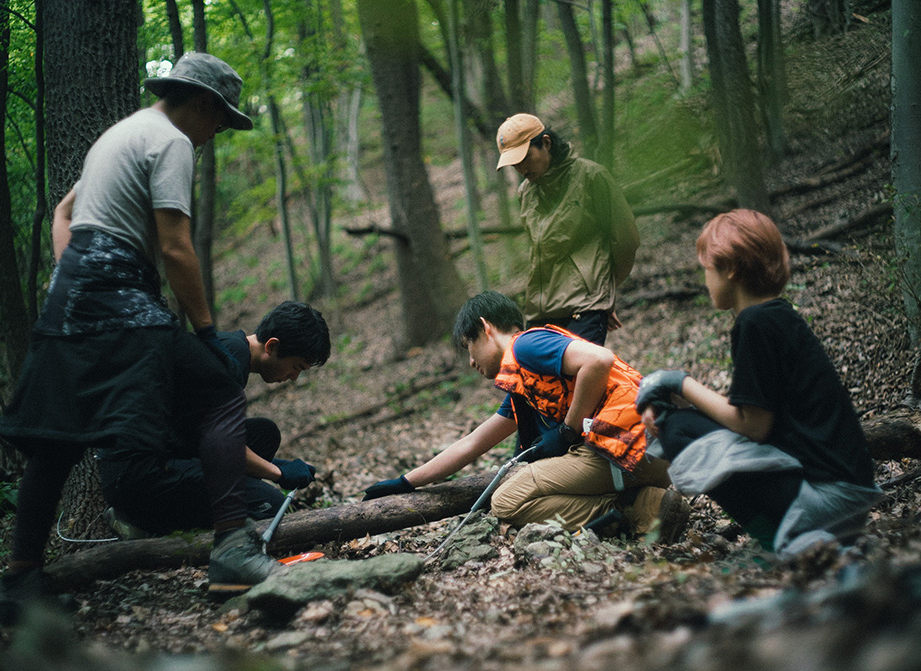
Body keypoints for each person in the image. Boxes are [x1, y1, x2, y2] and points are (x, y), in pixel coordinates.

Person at [0, 53, 279, 621]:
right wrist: (203, 330)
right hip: (123, 299)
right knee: (219, 391)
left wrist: (74, 277)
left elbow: (66, 211)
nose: (212, 137)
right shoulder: (171, 140)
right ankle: (232, 549)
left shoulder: (116, 135)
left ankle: (21, 584)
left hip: (70, 299)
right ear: (201, 103)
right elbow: (175, 247)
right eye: (218, 123)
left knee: (56, 440)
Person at [634, 209, 881, 557]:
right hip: (846, 492)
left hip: (827, 499)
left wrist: (679, 382)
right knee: (683, 420)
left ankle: (776, 545)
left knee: (677, 429)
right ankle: (784, 539)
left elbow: (754, 427)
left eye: (707, 269)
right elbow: (755, 409)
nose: (705, 281)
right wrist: (683, 396)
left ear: (730, 269)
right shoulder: (776, 315)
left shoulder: (755, 324)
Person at [362, 291, 690, 542]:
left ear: (485, 328)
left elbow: (599, 359)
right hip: (649, 453)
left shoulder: (525, 346)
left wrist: (567, 430)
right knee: (522, 486)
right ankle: (649, 502)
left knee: (505, 501)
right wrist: (406, 482)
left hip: (629, 447)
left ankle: (635, 510)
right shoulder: (525, 382)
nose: (471, 362)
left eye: (468, 346)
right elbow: (473, 443)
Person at [98, 301, 331, 539]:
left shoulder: (231, 350)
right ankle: (145, 522)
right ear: (272, 346)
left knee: (264, 433)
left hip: (165, 453)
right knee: (269, 505)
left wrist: (277, 464)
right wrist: (279, 474)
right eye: (295, 366)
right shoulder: (226, 361)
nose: (294, 378)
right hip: (139, 475)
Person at [496, 113, 640, 346]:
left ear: (546, 143)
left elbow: (627, 239)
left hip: (585, 307)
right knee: (543, 382)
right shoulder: (525, 193)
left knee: (578, 379)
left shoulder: (591, 177)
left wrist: (604, 293)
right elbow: (540, 255)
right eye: (514, 164)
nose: (521, 169)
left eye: (525, 158)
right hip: (540, 314)